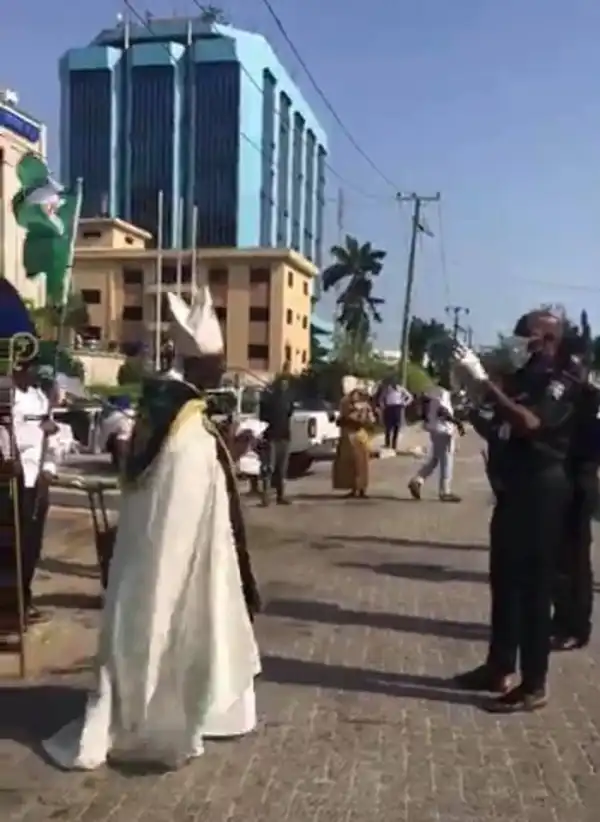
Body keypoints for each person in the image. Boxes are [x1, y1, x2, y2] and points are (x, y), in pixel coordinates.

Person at [42, 286, 261, 771]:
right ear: (197, 362)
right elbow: (180, 488)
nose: (222, 370)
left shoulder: (171, 410)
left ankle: (201, 708)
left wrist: (228, 451)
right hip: (176, 555)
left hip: (188, 547)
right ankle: (159, 714)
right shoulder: (179, 419)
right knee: (172, 617)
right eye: (217, 362)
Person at [453, 310, 578, 712]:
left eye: (525, 334)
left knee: (534, 591)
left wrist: (485, 385)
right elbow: (501, 427)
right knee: (504, 584)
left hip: (542, 491)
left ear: (547, 339)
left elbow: (529, 423)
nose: (516, 340)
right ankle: (499, 666)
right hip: (511, 491)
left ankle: (534, 684)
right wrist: (472, 402)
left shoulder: (563, 379)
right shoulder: (521, 378)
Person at [552, 338, 600, 651]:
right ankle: (561, 617)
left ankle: (577, 626)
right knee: (558, 559)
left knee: (576, 560)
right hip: (559, 482)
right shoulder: (561, 395)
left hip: (580, 483)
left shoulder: (590, 398)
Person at [408, 383, 463, 502]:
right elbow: (442, 411)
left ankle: (417, 480)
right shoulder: (443, 393)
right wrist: (457, 422)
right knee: (447, 460)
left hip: (434, 428)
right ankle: (445, 491)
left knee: (435, 459)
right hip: (443, 430)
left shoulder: (432, 391)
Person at [332, 377, 376, 498]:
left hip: (353, 433)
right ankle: (358, 488)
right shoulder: (357, 401)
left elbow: (352, 417)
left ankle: (358, 488)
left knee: (357, 463)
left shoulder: (351, 401)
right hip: (357, 434)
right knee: (358, 463)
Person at [258, 362, 295, 506]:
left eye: (286, 382)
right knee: (269, 467)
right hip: (271, 436)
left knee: (282, 469)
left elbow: (290, 413)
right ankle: (266, 497)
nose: (285, 384)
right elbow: (262, 416)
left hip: (285, 436)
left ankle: (281, 496)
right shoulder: (268, 398)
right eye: (283, 382)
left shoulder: (288, 398)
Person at [379, 378, 413, 451]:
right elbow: (381, 399)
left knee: (396, 426)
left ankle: (394, 445)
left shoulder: (400, 389)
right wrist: (383, 406)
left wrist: (405, 403)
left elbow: (410, 397)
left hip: (397, 407)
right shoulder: (387, 389)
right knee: (388, 427)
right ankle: (387, 443)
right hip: (389, 408)